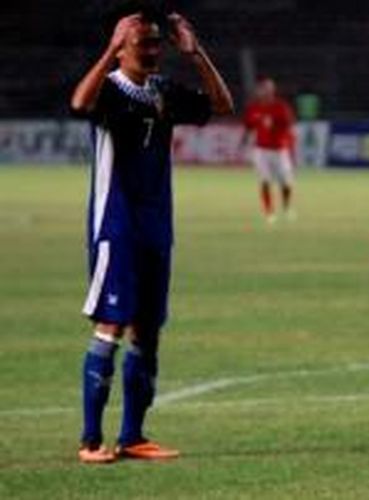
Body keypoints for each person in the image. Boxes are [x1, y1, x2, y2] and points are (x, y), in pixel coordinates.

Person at [70, 1, 234, 463]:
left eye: (157, 43)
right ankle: (90, 440)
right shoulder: (109, 90)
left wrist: (196, 53)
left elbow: (222, 105)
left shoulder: (162, 90)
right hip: (115, 225)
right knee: (112, 324)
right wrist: (107, 50)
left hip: (156, 226)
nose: (153, 50)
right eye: (143, 42)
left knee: (148, 330)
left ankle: (133, 435)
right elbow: (79, 102)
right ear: (122, 47)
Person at [242, 76, 297, 224]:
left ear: (273, 90)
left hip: (280, 150)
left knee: (286, 182)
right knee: (265, 181)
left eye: (268, 88)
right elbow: (248, 127)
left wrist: (291, 146)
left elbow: (290, 128)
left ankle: (286, 207)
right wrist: (243, 142)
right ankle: (269, 212)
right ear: (259, 91)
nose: (265, 91)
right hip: (261, 151)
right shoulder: (253, 108)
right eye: (262, 88)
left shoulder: (281, 107)